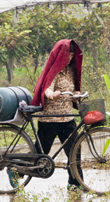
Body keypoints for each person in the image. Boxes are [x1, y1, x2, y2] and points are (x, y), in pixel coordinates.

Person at [32, 39, 84, 189]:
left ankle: (75, 183)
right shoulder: (54, 70)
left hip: (67, 118)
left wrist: (76, 94)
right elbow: (46, 88)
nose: (70, 58)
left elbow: (71, 91)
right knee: (40, 154)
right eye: (68, 55)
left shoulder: (70, 72)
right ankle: (16, 171)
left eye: (73, 55)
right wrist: (51, 94)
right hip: (50, 119)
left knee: (75, 151)